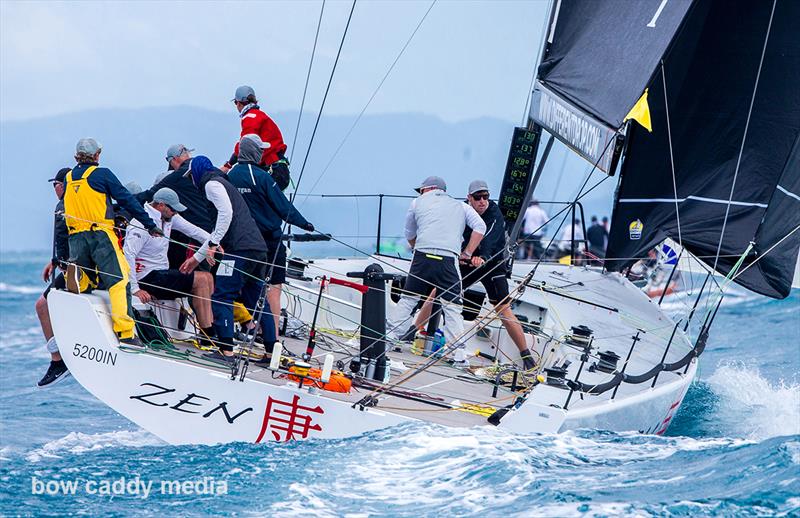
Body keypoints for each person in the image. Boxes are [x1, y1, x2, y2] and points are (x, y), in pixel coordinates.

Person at [63, 138, 161, 345]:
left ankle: (81, 286)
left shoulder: (69, 179)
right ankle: (126, 333)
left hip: (75, 237)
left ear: (75, 157)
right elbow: (127, 199)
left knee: (86, 278)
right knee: (120, 280)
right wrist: (149, 224)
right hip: (100, 235)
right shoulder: (103, 174)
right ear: (98, 155)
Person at [180, 156, 273, 361]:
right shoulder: (223, 182)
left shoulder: (211, 184)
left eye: (190, 176)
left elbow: (225, 214)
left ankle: (226, 351)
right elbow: (217, 229)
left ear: (197, 172)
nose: (191, 181)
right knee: (256, 300)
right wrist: (196, 259)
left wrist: (214, 245)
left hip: (238, 251)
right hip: (257, 249)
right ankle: (271, 352)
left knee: (222, 295)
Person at [387, 176, 486, 366]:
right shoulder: (461, 206)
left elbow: (409, 233)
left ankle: (388, 339)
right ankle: (458, 356)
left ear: (428, 189)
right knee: (452, 306)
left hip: (422, 257)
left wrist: (418, 249)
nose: (421, 193)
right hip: (448, 259)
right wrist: (467, 253)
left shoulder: (417, 202)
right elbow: (481, 226)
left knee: (408, 299)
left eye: (421, 190)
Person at [226, 134, 314, 332]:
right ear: (254, 153)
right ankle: (272, 336)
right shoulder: (262, 177)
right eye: (261, 149)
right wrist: (305, 224)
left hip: (240, 243)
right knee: (273, 287)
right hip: (268, 241)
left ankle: (247, 329)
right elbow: (283, 207)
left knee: (242, 287)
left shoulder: (230, 177)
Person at [123, 188, 216, 344]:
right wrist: (135, 289)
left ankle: (208, 332)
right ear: (160, 205)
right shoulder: (140, 222)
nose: (175, 212)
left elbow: (193, 230)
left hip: (161, 274)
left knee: (208, 278)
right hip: (146, 278)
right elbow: (128, 255)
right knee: (202, 279)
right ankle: (209, 338)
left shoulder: (169, 217)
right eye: (173, 209)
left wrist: (214, 242)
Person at [137, 144, 215, 269]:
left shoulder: (175, 178)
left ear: (173, 160)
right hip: (219, 232)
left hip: (197, 240)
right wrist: (214, 240)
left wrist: (120, 202)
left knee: (199, 276)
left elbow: (147, 195)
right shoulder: (213, 171)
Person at [35, 167, 72, 387]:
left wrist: (63, 262)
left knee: (42, 305)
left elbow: (63, 236)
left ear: (63, 185)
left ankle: (58, 360)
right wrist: (56, 261)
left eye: (55, 185)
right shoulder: (89, 202)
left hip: (76, 267)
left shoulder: (64, 206)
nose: (54, 189)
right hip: (82, 264)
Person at [221, 86, 291, 191]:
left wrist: (228, 165)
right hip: (277, 169)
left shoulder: (250, 117)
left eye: (236, 103)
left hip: (272, 169)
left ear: (239, 103)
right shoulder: (259, 115)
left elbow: (245, 143)